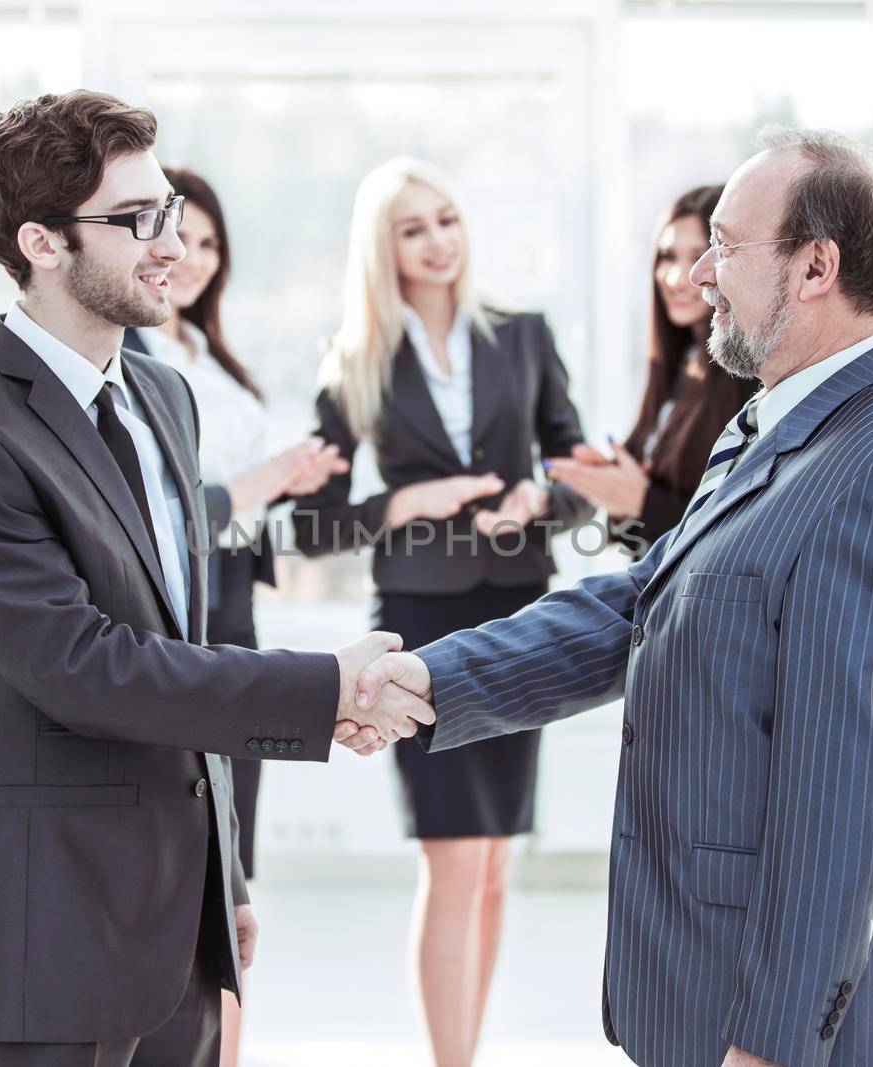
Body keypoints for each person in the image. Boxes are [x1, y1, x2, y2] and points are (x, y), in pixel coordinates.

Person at [346, 127, 873, 1067]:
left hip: (795, 1030)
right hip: (705, 985)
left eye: (725, 246)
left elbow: (842, 813)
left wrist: (765, 1050)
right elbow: (643, 602)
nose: (698, 277)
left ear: (817, 267)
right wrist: (427, 678)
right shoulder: (777, 419)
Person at [0, 90, 428, 1067]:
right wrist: (328, 686)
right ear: (42, 243)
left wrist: (224, 881)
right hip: (53, 933)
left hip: (184, 929)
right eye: (137, 219)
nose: (171, 243)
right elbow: (83, 668)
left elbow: (180, 638)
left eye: (169, 209)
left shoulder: (163, 394)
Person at [292, 157, 592, 1067]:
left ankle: (467, 1051)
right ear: (383, 248)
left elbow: (578, 471)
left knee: (496, 861)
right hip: (419, 617)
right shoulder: (356, 361)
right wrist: (403, 505)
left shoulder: (525, 337)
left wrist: (539, 502)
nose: (437, 241)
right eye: (413, 227)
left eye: (448, 219)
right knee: (453, 856)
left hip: (518, 614)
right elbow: (310, 525)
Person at [123, 164, 346, 1067]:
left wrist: (304, 492)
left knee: (232, 867)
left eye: (211, 241)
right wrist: (266, 481)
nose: (191, 254)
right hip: (184, 629)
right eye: (178, 233)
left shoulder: (214, 361)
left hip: (237, 616)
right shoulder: (131, 360)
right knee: (177, 861)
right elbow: (160, 512)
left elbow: (241, 518)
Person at [544, 184, 757, 558]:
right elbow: (642, 539)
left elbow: (742, 539)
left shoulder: (752, 378)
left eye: (699, 255)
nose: (678, 277)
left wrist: (639, 500)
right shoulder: (681, 364)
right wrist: (616, 488)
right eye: (666, 256)